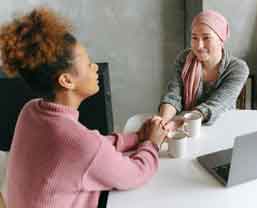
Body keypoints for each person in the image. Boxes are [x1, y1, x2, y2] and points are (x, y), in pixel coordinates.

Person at [0, 7, 166, 208]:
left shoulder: (30, 111)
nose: (95, 67)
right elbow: (136, 173)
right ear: (67, 80)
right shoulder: (79, 144)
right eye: (88, 63)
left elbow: (91, 148)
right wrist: (152, 143)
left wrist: (136, 138)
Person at [159, 10, 249, 129]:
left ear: (221, 40)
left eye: (206, 38)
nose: (199, 45)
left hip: (222, 128)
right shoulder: (184, 59)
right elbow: (173, 96)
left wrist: (184, 121)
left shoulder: (238, 69)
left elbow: (216, 104)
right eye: (194, 38)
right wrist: (162, 123)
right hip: (187, 128)